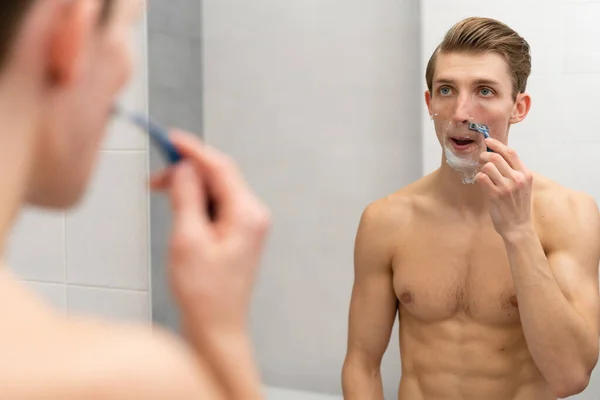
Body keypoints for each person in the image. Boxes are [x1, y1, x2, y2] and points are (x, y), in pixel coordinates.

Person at [0, 0, 270, 399]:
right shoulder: (127, 382)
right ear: (71, 29)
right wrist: (221, 333)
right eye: (126, 28)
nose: (127, 67)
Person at [342, 16, 600, 400]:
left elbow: (571, 376)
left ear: (519, 107)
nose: (461, 112)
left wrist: (518, 232)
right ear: (430, 103)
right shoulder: (386, 220)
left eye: (484, 91)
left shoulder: (569, 215)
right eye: (446, 90)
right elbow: (362, 365)